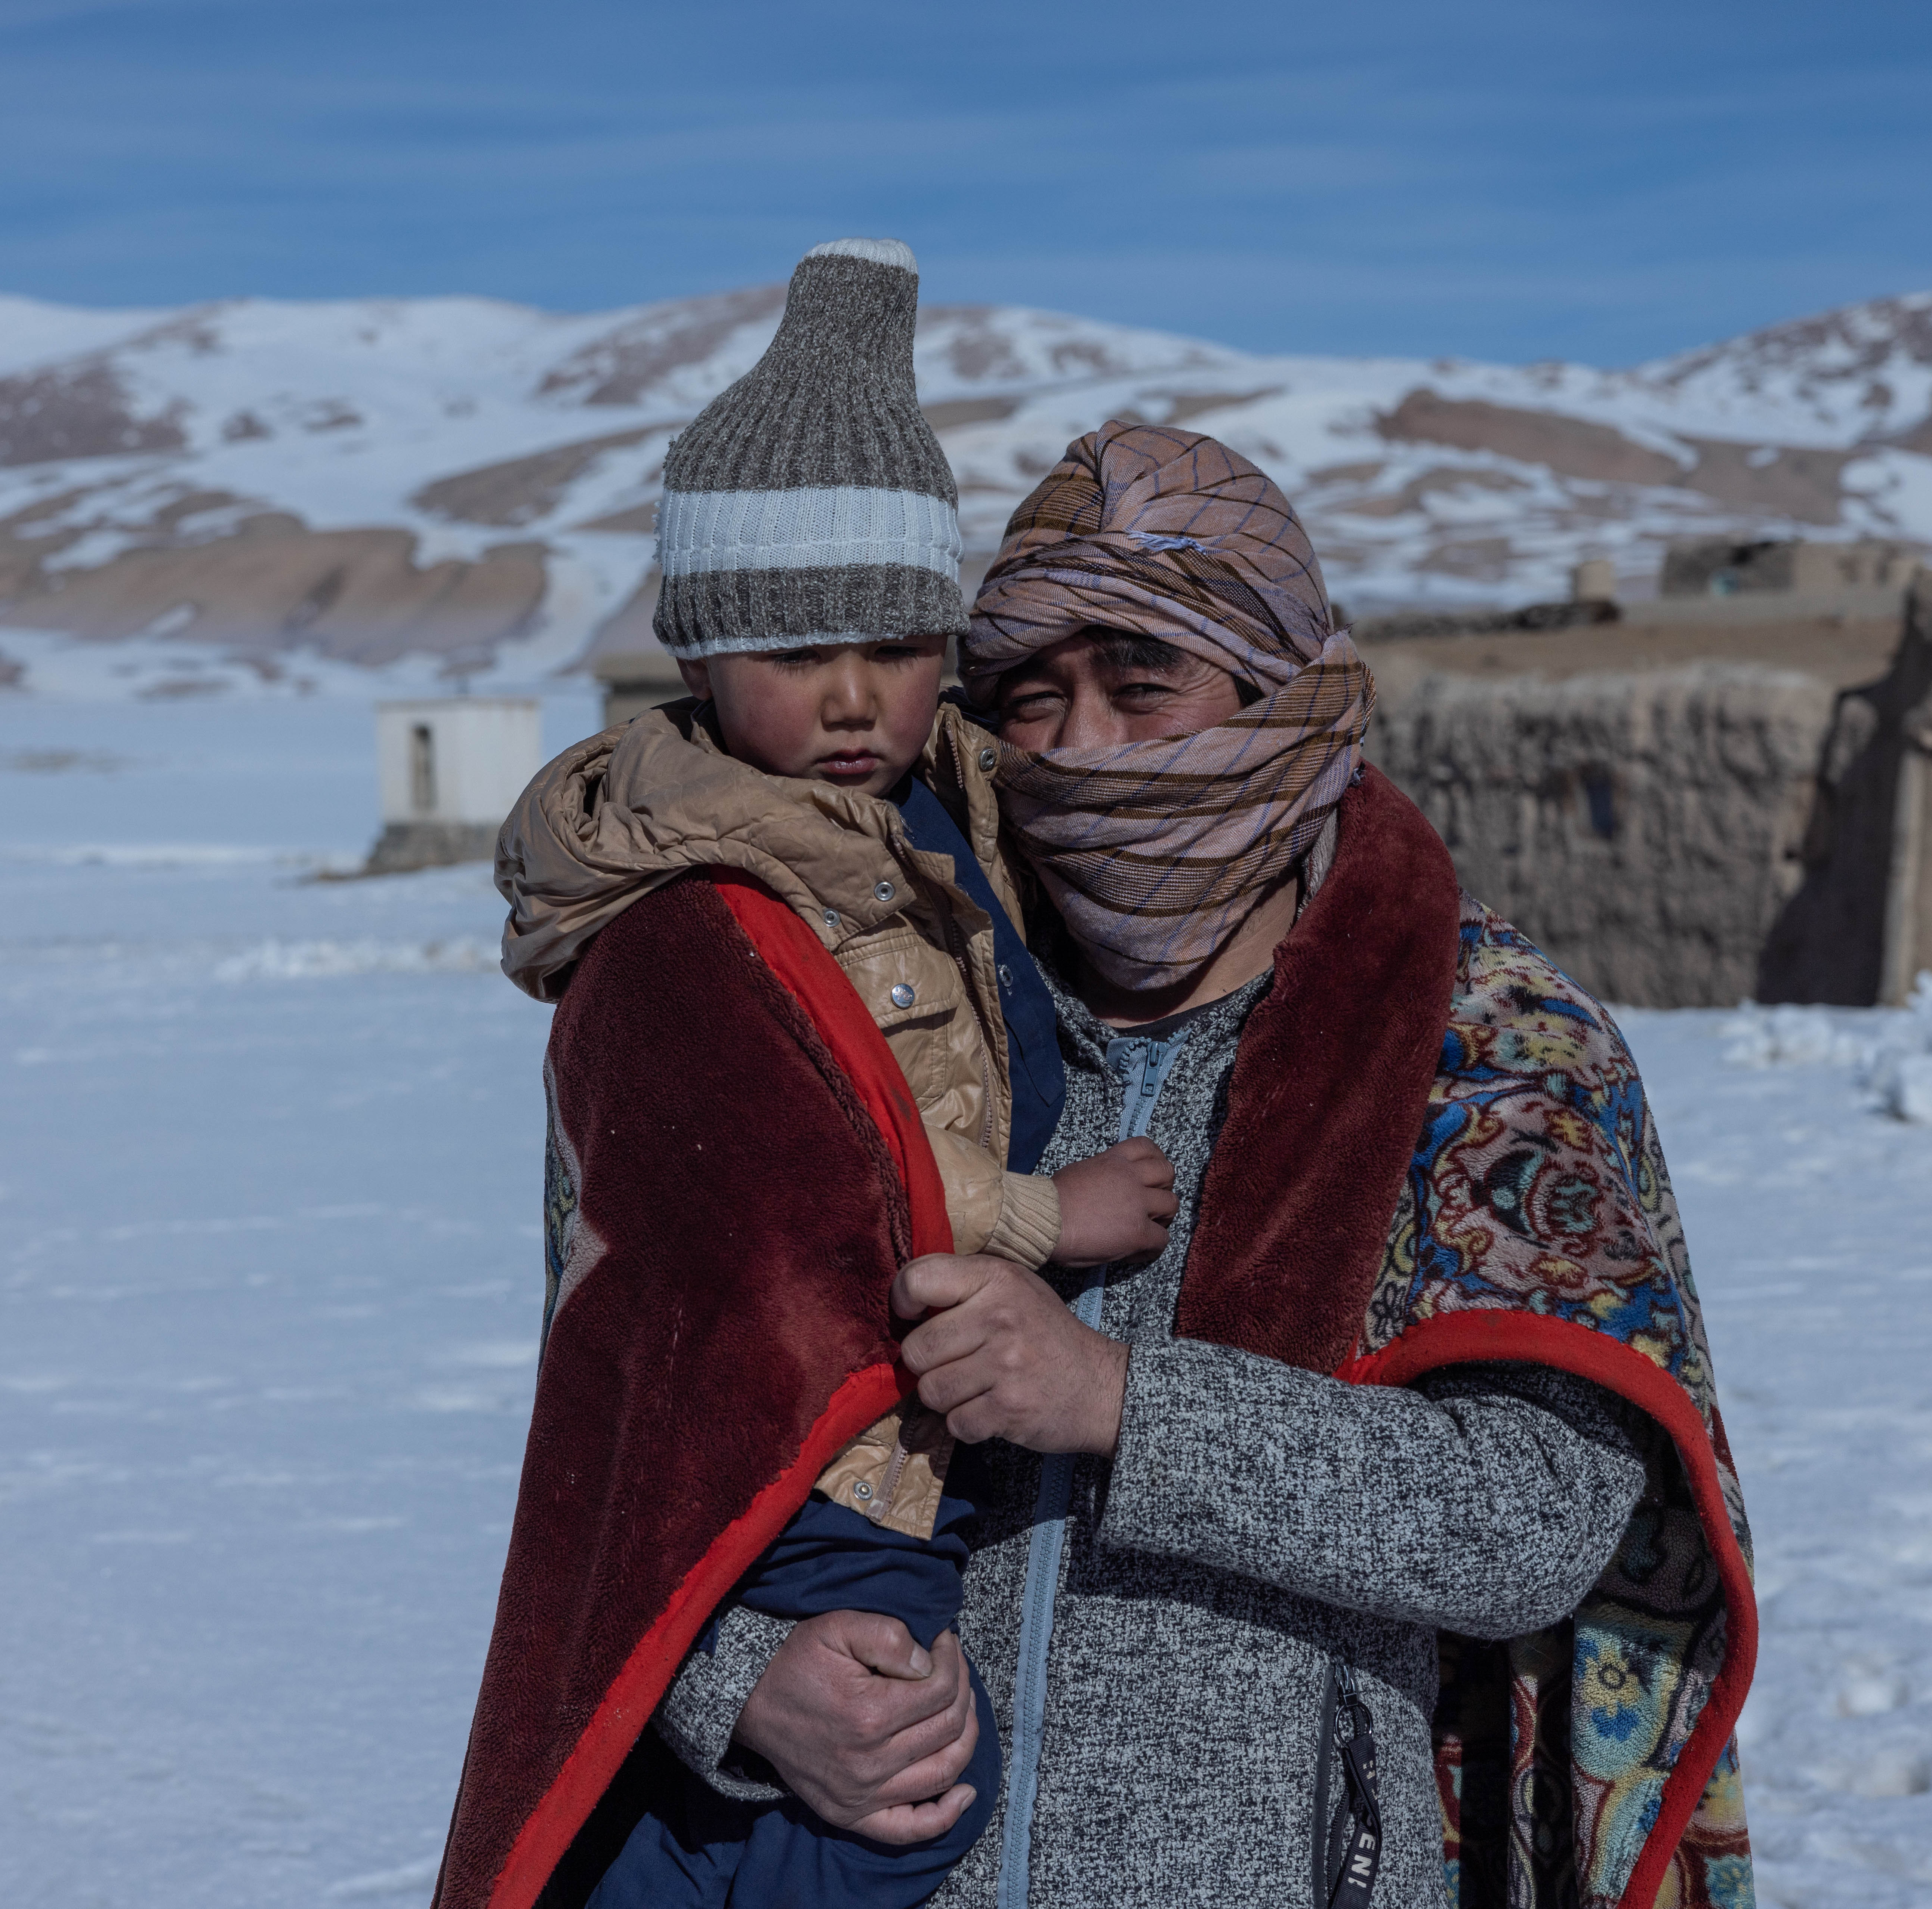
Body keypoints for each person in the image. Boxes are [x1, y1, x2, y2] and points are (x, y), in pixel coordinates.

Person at [656, 425, 1764, 1909]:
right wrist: (738, 1683)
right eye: (1029, 697)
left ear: (1276, 687)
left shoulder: (1478, 1041)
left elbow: (1538, 1516)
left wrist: (1120, 1401)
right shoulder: (875, 1008)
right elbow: (631, 1444)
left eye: (1142, 684)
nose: (1082, 746)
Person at [437, 242, 1174, 1909]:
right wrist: (1045, 1215)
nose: (854, 698)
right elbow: (791, 1194)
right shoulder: (697, 914)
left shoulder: (958, 819)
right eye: (792, 650)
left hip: (905, 1459)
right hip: (816, 1457)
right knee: (881, 1798)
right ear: (699, 659)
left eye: (899, 642)